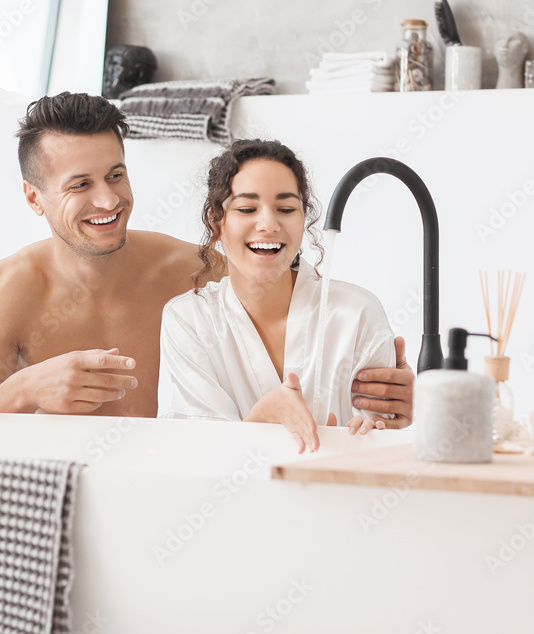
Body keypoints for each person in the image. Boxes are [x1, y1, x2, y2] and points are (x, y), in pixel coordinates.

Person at [0, 93, 414, 425]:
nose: (108, 200)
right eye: (80, 185)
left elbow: (304, 328)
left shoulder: (190, 271)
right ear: (34, 199)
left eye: (116, 175)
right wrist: (25, 391)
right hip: (57, 501)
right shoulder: (6, 292)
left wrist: (388, 399)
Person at [158, 139, 398, 451]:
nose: (269, 225)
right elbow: (196, 454)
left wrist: (371, 432)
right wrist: (262, 417)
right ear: (216, 223)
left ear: (304, 219)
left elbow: (385, 433)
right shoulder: (189, 320)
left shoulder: (357, 313)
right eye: (247, 209)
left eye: (286, 209)